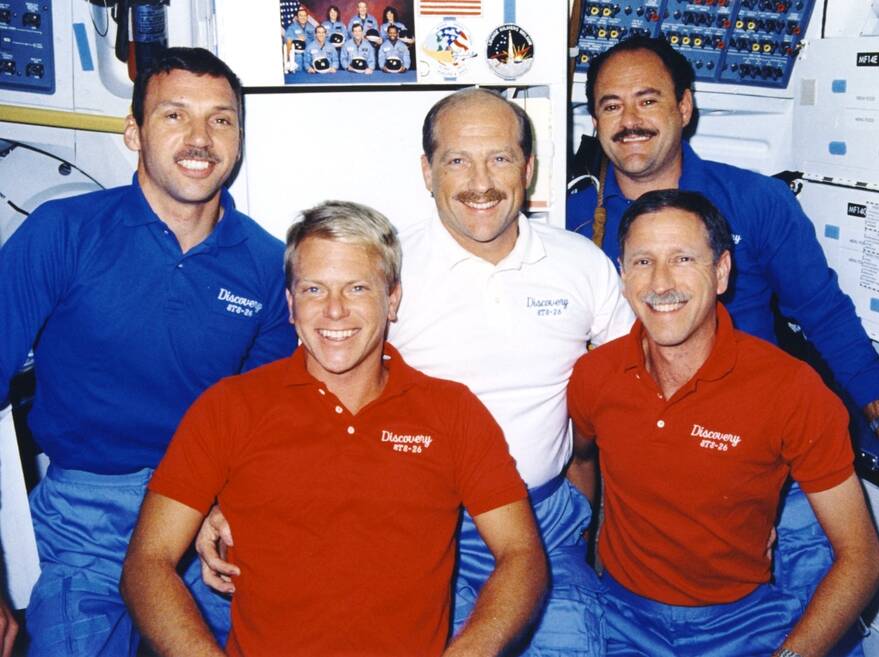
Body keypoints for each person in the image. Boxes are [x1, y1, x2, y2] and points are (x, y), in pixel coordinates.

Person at [198, 89, 634, 655]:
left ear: (528, 169)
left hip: (543, 522)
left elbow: (634, 390)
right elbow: (294, 392)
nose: (481, 181)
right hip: (416, 530)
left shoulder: (582, 266)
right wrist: (222, 497)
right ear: (427, 171)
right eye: (457, 160)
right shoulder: (382, 271)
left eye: (500, 158)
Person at [566, 35, 879, 649]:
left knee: (821, 624)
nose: (629, 121)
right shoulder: (576, 226)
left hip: (776, 473)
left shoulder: (757, 202)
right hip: (655, 487)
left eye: (647, 101)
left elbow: (827, 316)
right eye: (610, 105)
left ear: (684, 107)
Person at [121, 201, 547, 657]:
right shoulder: (230, 407)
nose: (335, 311)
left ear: (393, 299)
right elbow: (147, 562)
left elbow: (522, 555)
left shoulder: (451, 411)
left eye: (357, 288)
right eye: (314, 290)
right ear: (290, 304)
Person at [0, 47, 297, 656]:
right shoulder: (62, 234)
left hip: (205, 508)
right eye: (174, 116)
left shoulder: (269, 266)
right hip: (86, 511)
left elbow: (267, 423)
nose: (200, 138)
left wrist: (230, 502)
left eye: (221, 119)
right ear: (133, 132)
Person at [568, 189, 879, 657]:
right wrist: (583, 557)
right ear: (621, 275)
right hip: (621, 620)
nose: (660, 283)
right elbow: (580, 459)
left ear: (721, 272)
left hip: (744, 622)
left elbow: (861, 558)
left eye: (682, 259)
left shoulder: (791, 389)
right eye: (642, 262)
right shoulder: (595, 376)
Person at [283, 7, 315, 73]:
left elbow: (316, 40)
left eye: (304, 16)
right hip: (298, 53)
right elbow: (287, 39)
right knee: (298, 69)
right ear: (297, 17)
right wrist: (297, 39)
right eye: (300, 15)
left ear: (307, 17)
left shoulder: (311, 28)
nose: (303, 17)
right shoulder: (292, 27)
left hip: (309, 52)